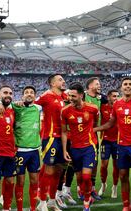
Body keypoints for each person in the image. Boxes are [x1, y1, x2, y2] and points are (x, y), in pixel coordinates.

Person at [94, 77, 131, 211]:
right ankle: (126, 205)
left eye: (130, 84)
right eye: (125, 84)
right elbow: (111, 123)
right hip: (121, 145)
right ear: (122, 87)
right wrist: (95, 129)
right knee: (122, 176)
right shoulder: (116, 104)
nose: (127, 86)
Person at [61, 82, 99, 211]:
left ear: (81, 95)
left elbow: (96, 124)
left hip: (89, 147)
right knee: (79, 178)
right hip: (74, 148)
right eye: (69, 95)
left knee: (87, 176)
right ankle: (86, 194)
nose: (70, 98)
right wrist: (65, 149)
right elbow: (64, 131)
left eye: (73, 96)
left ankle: (87, 202)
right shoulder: (65, 111)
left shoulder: (93, 108)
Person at [36, 74, 67, 211]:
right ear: (52, 83)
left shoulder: (65, 97)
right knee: (49, 169)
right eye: (60, 80)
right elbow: (30, 105)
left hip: (64, 139)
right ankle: (42, 202)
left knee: (59, 170)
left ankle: (52, 201)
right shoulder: (46, 96)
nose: (63, 81)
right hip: (51, 137)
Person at [12, 86, 42, 211]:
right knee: (20, 181)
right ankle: (19, 209)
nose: (29, 94)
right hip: (20, 151)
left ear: (35, 96)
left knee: (35, 181)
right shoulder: (16, 107)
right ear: (22, 96)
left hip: (34, 151)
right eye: (26, 93)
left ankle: (33, 208)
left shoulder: (38, 108)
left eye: (31, 93)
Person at [84, 77, 107, 200]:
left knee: (94, 162)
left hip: (93, 136)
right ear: (90, 86)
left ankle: (92, 188)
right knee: (77, 164)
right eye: (97, 84)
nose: (99, 86)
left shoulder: (101, 98)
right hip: (80, 135)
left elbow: (112, 102)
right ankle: (79, 189)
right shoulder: (82, 96)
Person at [98, 89, 120, 198]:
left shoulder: (120, 107)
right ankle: (103, 184)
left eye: (117, 96)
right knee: (104, 165)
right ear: (108, 97)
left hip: (117, 141)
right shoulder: (103, 107)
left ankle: (114, 187)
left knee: (117, 166)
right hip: (105, 141)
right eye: (114, 96)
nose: (116, 98)